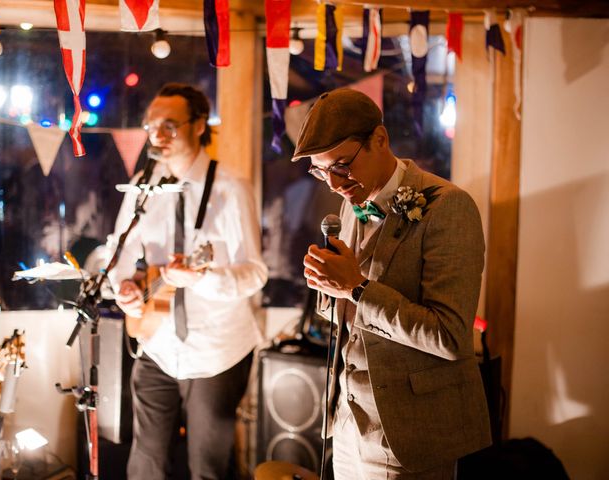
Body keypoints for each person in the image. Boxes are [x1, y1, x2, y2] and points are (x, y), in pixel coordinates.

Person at [296, 88, 491, 479]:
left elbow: (450, 336)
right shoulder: (349, 204)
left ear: (380, 139)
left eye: (341, 164)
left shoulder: (449, 206)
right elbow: (345, 316)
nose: (333, 183)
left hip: (410, 433)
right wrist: (325, 284)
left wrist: (356, 288)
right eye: (321, 171)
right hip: (347, 428)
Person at [107, 83, 267, 479]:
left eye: (169, 126)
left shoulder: (231, 188)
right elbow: (119, 249)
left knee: (208, 468)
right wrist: (124, 287)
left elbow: (255, 272)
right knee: (145, 462)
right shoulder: (144, 185)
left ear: (199, 126)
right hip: (155, 341)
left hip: (216, 350)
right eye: (151, 126)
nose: (157, 135)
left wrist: (202, 279)